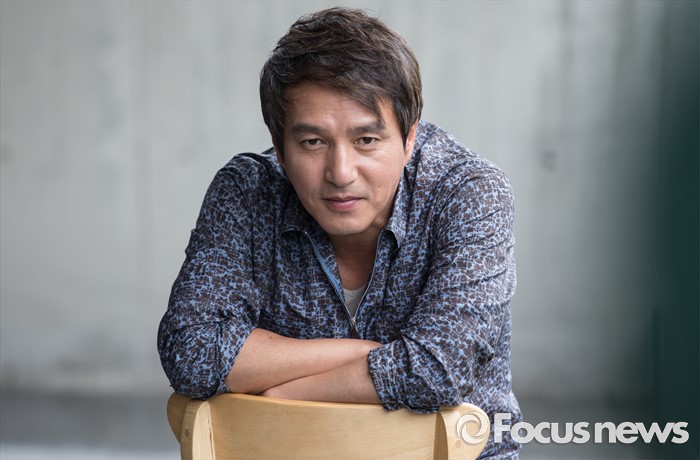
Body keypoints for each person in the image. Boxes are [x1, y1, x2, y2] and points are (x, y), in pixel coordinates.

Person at [158, 7, 522, 458]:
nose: (341, 173)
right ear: (279, 148)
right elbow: (191, 353)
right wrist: (367, 353)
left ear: (409, 139)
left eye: (367, 140)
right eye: (313, 142)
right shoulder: (248, 192)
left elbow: (440, 367)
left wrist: (284, 395)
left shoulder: (468, 192)